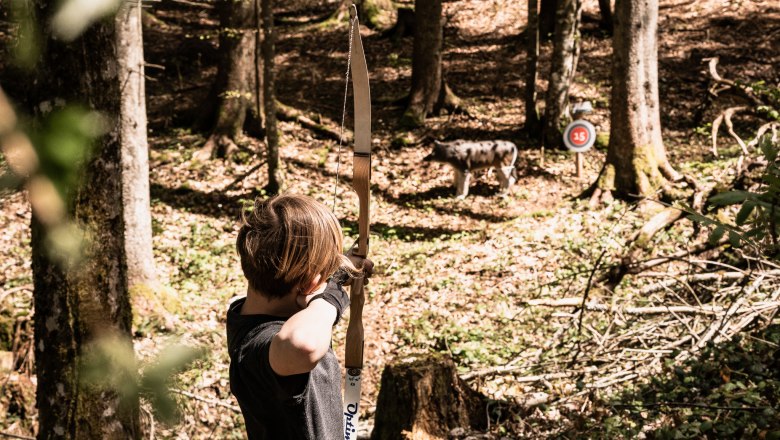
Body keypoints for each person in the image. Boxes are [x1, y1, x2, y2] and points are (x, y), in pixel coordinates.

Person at [226, 194, 372, 439]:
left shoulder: (253, 312)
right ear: (310, 283)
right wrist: (331, 298)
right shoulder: (256, 345)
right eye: (324, 271)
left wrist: (333, 277)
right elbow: (302, 345)